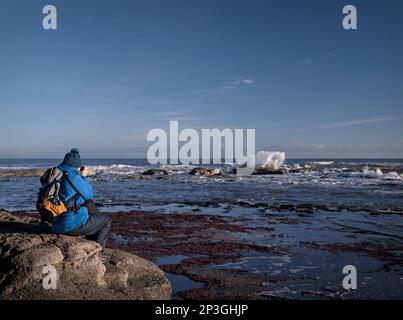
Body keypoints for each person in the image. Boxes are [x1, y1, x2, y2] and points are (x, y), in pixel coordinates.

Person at [52, 148, 111, 247]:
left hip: (56, 223)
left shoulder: (55, 174)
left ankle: (91, 246)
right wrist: (83, 176)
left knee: (88, 210)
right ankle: (99, 251)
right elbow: (89, 194)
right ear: (77, 166)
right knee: (105, 221)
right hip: (70, 226)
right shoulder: (73, 177)